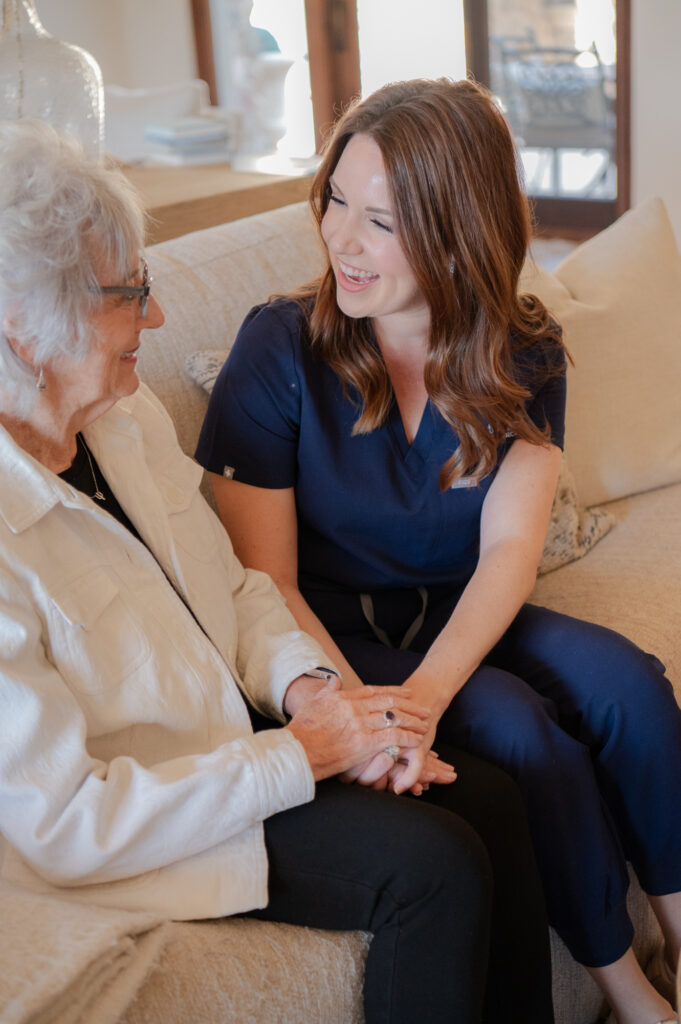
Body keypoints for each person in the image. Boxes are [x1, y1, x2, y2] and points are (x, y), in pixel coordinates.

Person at [0, 121, 556, 1024]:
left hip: (250, 738)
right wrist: (300, 756)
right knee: (432, 869)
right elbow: (65, 826)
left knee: (489, 793)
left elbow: (239, 590)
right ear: (26, 329)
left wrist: (318, 695)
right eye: (129, 292)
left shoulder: (121, 423)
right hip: (165, 811)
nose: (157, 316)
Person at [196, 78, 681, 1024]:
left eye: (378, 219)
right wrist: (375, 717)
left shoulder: (523, 350)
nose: (340, 237)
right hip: (331, 633)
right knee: (524, 733)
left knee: (631, 687)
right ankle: (630, 998)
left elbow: (508, 551)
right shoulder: (279, 349)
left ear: (458, 228)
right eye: (336, 200)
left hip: (461, 609)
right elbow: (266, 583)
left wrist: (429, 691)